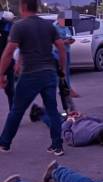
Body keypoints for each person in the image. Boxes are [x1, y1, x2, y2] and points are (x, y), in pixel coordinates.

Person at [0, 0, 66, 155]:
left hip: (30, 74)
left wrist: (1, 74)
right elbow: (61, 47)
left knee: (17, 110)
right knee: (52, 110)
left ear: (23, 7)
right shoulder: (49, 25)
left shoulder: (19, 26)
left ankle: (4, 143)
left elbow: (8, 53)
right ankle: (57, 146)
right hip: (49, 73)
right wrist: (61, 69)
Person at [30, 105, 103, 147]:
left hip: (78, 120)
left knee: (60, 117)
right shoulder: (82, 139)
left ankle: (41, 110)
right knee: (56, 121)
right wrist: (70, 121)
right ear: (101, 142)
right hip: (72, 123)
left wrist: (83, 117)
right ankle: (39, 114)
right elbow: (66, 134)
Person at [54, 11, 79, 98]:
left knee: (66, 72)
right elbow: (53, 41)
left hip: (67, 51)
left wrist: (70, 40)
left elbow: (69, 36)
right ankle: (63, 90)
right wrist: (65, 41)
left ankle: (66, 89)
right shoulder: (54, 27)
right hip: (58, 53)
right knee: (59, 72)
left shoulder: (66, 27)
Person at [0, 11, 15, 110]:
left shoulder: (8, 28)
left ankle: (12, 111)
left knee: (10, 90)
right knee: (10, 90)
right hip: (7, 62)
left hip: (8, 62)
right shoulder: (8, 28)